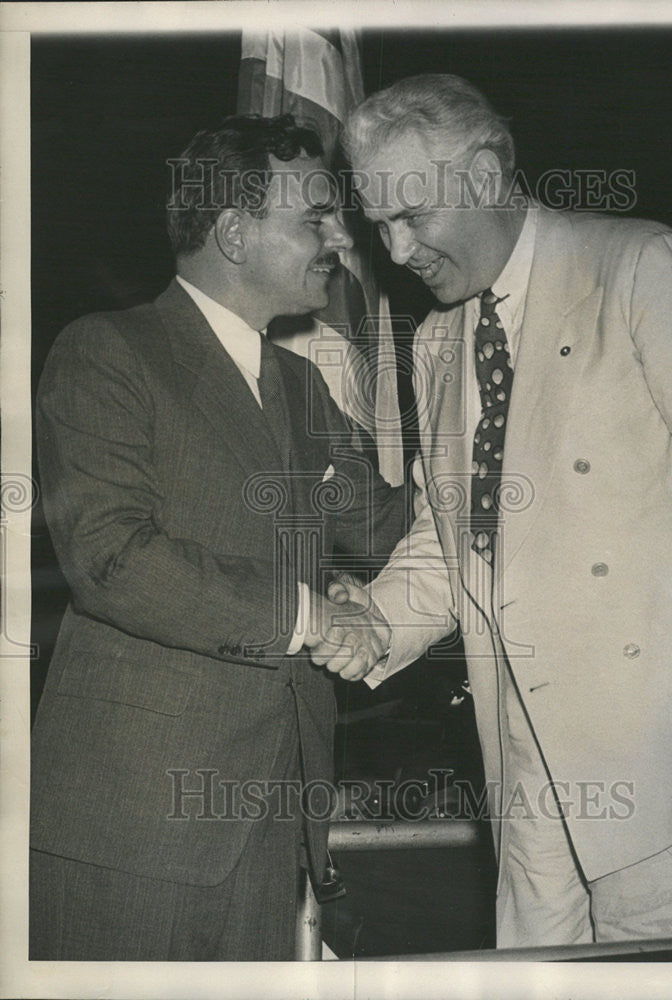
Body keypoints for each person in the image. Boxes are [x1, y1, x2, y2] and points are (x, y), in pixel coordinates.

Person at [331, 74, 672, 947]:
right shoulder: (439, 337)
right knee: (534, 969)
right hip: (515, 744)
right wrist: (367, 619)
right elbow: (457, 540)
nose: (395, 250)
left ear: (485, 176)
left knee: (658, 971)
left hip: (660, 741)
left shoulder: (639, 267)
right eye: (376, 224)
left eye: (411, 217)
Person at [30, 114, 405, 961]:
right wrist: (313, 614)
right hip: (135, 823)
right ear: (234, 232)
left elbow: (392, 532)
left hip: (277, 824)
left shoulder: (303, 385)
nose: (341, 238)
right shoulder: (108, 351)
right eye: (314, 217)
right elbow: (114, 559)